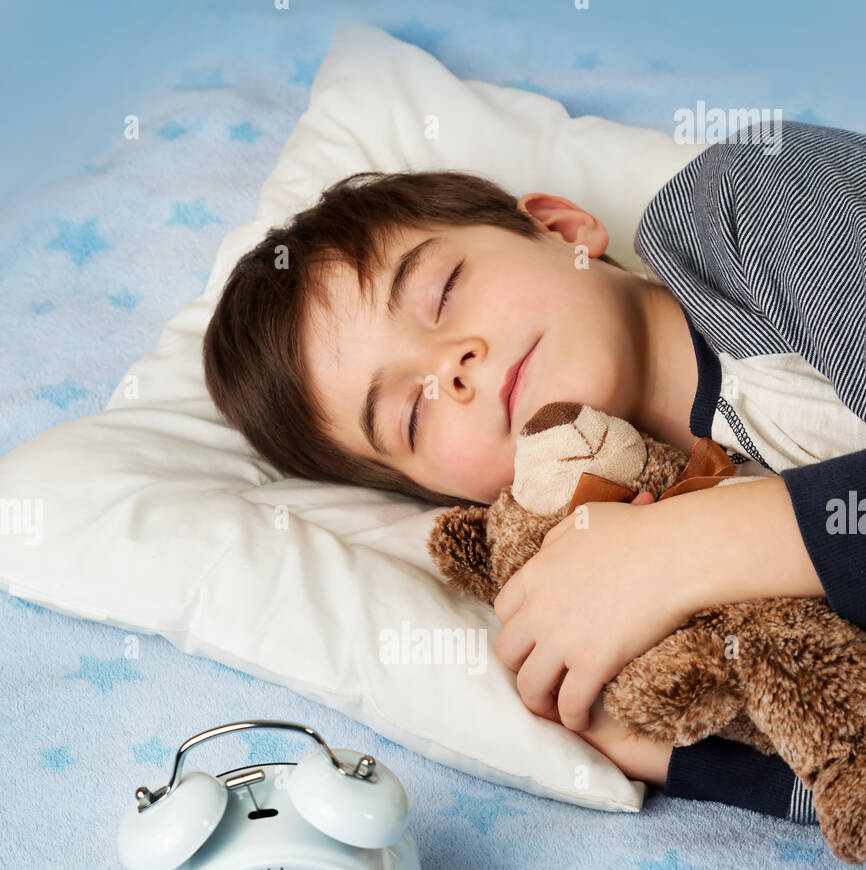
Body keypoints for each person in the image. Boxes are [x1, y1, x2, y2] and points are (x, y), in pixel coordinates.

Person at [202, 120, 866, 828]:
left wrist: (679, 551)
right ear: (457, 496)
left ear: (564, 229)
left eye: (443, 293)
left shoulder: (756, 200)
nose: (449, 369)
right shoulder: (593, 588)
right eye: (409, 417)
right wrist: (673, 756)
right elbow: (840, 766)